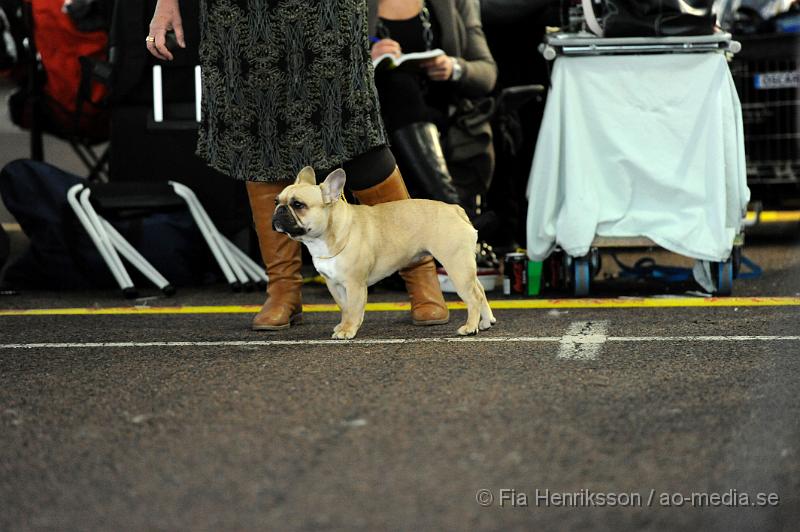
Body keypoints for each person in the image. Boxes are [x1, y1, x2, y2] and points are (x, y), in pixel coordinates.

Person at [146, 0, 449, 331]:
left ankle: (420, 276)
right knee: (258, 135)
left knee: (355, 134)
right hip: (239, 12)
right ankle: (283, 290)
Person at [367, 0, 497, 215]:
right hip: (380, 128)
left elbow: (487, 73)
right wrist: (365, 62)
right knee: (399, 85)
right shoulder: (351, 6)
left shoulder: (456, 3)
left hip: (444, 118)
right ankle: (455, 212)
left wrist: (454, 67)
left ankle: (453, 214)